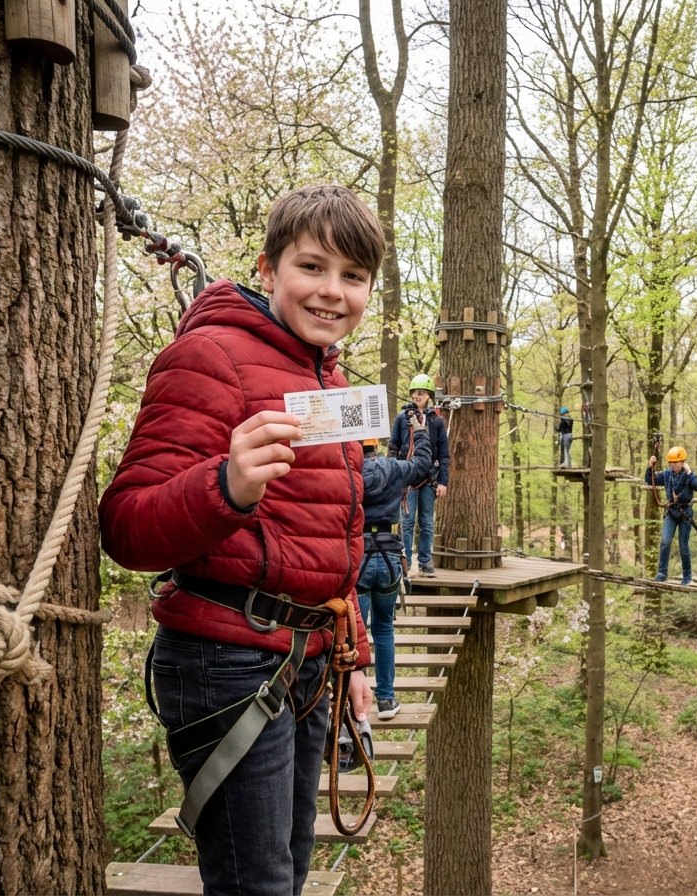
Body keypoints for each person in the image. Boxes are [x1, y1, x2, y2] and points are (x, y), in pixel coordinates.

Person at [99, 184, 382, 896]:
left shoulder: (328, 379)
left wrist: (353, 655)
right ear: (266, 269)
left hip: (310, 661)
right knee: (256, 885)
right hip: (228, 659)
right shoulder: (210, 357)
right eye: (311, 267)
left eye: (353, 276)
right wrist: (226, 486)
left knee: (285, 875)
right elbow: (126, 527)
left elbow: (331, 537)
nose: (331, 292)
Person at [357, 419, 432, 721]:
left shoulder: (348, 474)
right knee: (384, 628)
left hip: (359, 555)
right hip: (389, 557)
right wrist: (422, 431)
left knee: (356, 634)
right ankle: (386, 701)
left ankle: (354, 701)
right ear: (377, 444)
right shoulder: (395, 469)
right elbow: (423, 463)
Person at [388, 373, 450, 576]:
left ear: (429, 395)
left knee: (426, 521)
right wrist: (393, 473)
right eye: (415, 392)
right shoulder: (402, 418)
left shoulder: (436, 421)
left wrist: (443, 481)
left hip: (430, 477)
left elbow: (444, 453)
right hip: (407, 475)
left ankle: (425, 561)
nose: (417, 396)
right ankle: (405, 560)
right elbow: (394, 447)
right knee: (406, 521)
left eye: (421, 393)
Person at [645, 446, 697, 585]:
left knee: (683, 546)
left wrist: (689, 472)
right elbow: (650, 480)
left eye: (676, 462)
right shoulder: (667, 474)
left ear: (683, 462)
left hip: (685, 513)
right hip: (671, 512)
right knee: (665, 542)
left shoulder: (689, 475)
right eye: (671, 463)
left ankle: (687, 576)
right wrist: (651, 467)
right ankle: (662, 572)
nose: (673, 465)